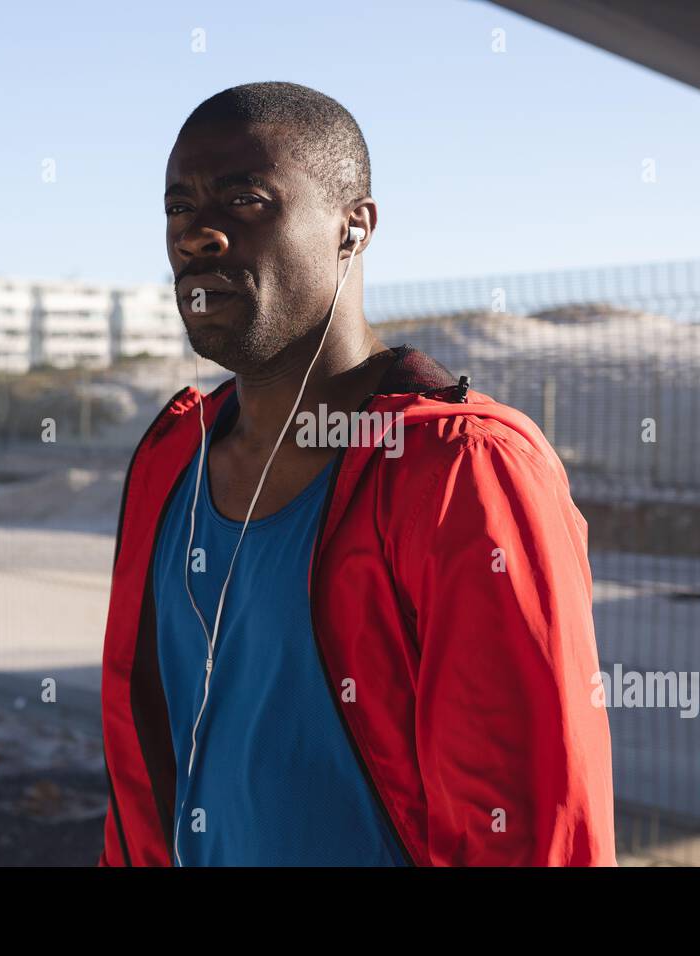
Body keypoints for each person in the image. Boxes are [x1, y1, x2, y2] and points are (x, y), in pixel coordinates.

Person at [98, 81, 614, 866]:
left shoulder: (462, 471)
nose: (196, 234)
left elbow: (531, 827)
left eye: (243, 200)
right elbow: (144, 783)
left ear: (354, 227)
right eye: (179, 207)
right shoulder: (172, 460)